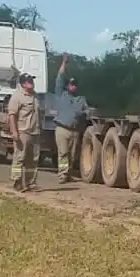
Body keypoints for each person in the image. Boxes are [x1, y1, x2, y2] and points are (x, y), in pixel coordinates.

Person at [52, 53, 88, 183]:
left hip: (74, 130)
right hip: (62, 129)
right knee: (63, 153)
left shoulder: (81, 99)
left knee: (72, 156)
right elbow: (60, 77)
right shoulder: (61, 94)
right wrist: (64, 63)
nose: (74, 86)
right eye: (72, 84)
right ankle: (62, 175)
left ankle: (68, 174)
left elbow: (87, 112)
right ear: (68, 85)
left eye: (75, 84)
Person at [8, 72, 42, 192]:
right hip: (23, 132)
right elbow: (12, 115)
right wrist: (14, 132)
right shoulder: (17, 96)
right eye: (28, 81)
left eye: (32, 80)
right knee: (19, 158)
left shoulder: (36, 96)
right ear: (22, 84)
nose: (31, 83)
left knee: (33, 160)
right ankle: (17, 181)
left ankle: (30, 183)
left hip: (35, 132)